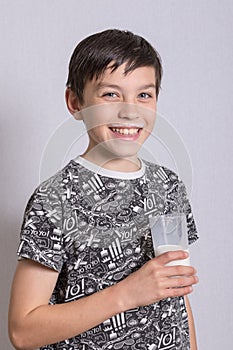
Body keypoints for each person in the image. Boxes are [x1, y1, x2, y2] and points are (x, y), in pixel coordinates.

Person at [8, 29, 199, 350]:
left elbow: (174, 294)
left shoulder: (169, 186)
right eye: (111, 94)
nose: (130, 111)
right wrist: (127, 293)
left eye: (144, 95)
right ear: (75, 102)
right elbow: (23, 331)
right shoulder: (54, 199)